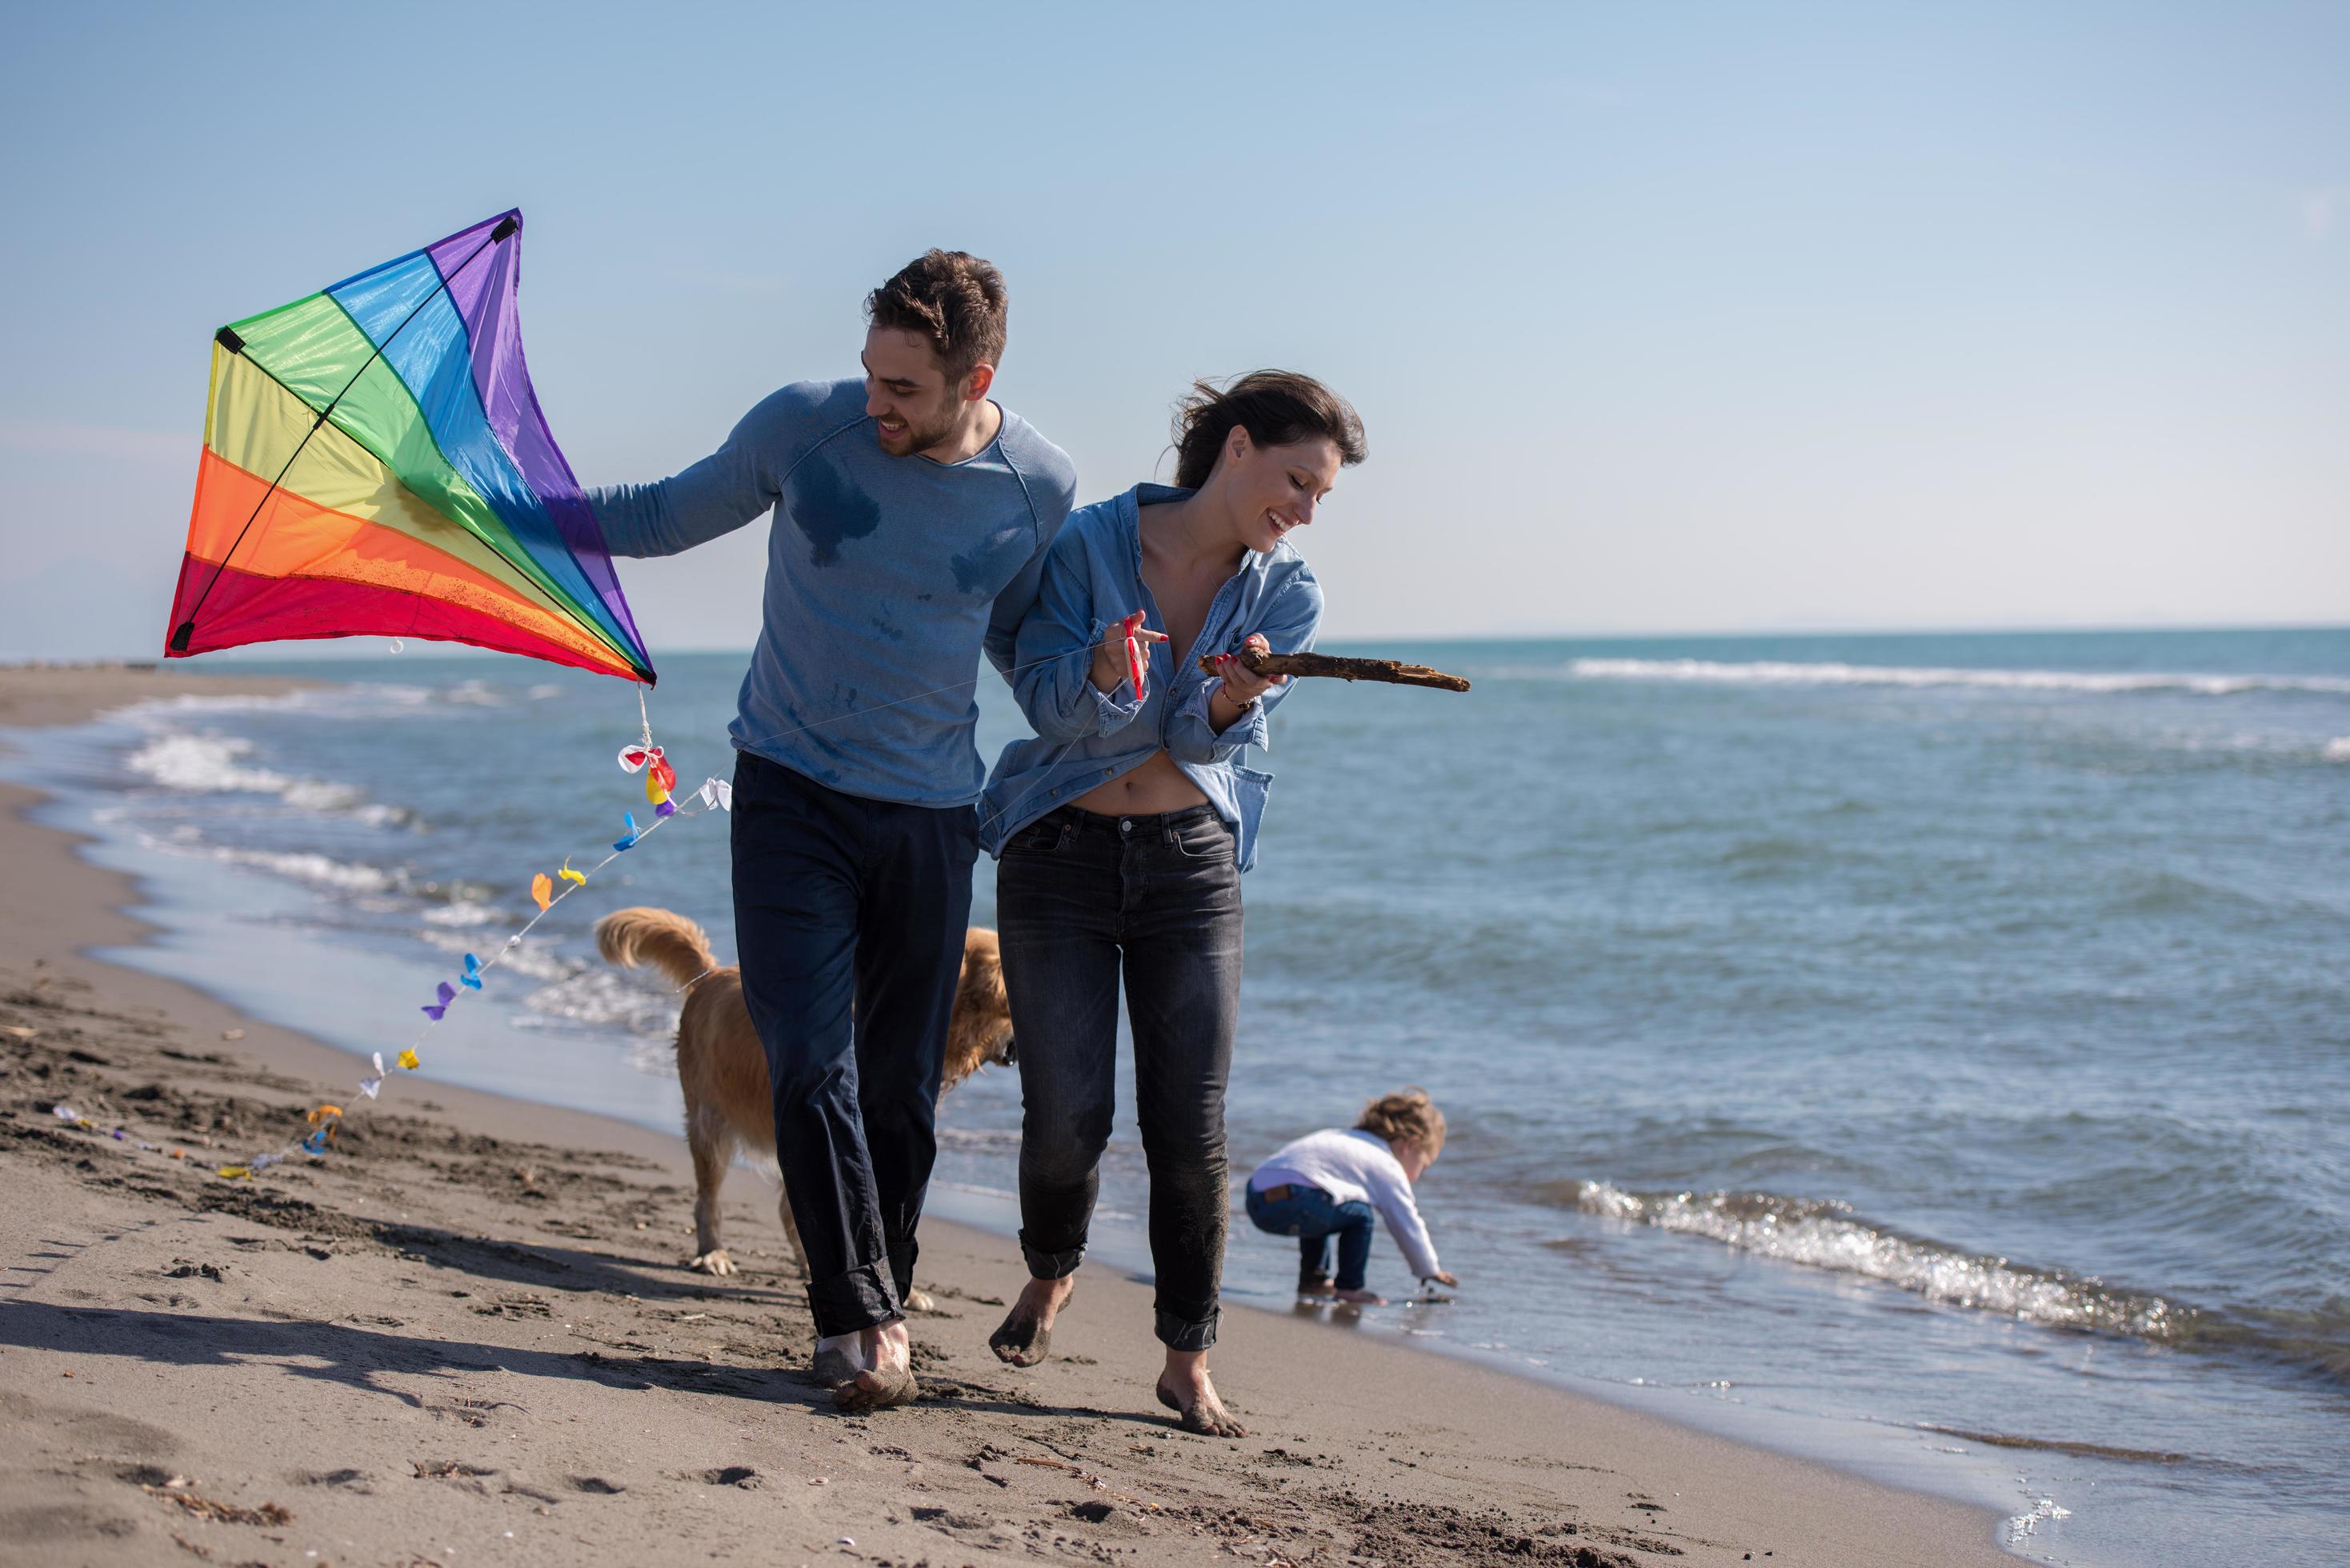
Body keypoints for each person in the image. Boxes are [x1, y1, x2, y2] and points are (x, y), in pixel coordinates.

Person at [588, 250, 1077, 1411]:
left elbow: (1016, 644)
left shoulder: (1035, 486)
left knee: (903, 1087)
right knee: (811, 1057)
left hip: (927, 816)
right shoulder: (804, 428)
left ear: (977, 377)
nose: (876, 403)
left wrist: (1099, 704)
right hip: (790, 791)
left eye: (904, 388)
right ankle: (861, 1316)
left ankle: (875, 1306)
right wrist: (487, 511)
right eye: (870, 374)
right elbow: (659, 515)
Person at [976, 371, 1365, 1435]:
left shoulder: (1286, 595)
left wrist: (1233, 696)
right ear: (1236, 449)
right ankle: (1052, 1269)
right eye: (1297, 480)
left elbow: (1197, 738)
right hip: (1055, 853)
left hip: (1190, 865)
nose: (1305, 510)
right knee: (1067, 1117)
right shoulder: (1086, 546)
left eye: (1320, 495)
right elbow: (1044, 702)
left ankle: (1184, 1359)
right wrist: (1105, 670)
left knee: (1189, 1125)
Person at [1243, 1089, 1459, 1306]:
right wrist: (1429, 1269)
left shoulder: (1340, 1136)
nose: (1418, 1176)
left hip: (1257, 1196)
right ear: (1409, 1145)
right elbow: (1406, 1223)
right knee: (1360, 1214)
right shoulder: (1386, 1163)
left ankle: (1314, 1280)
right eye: (1423, 1165)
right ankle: (1350, 1287)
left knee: (1326, 1197)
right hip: (1300, 1198)